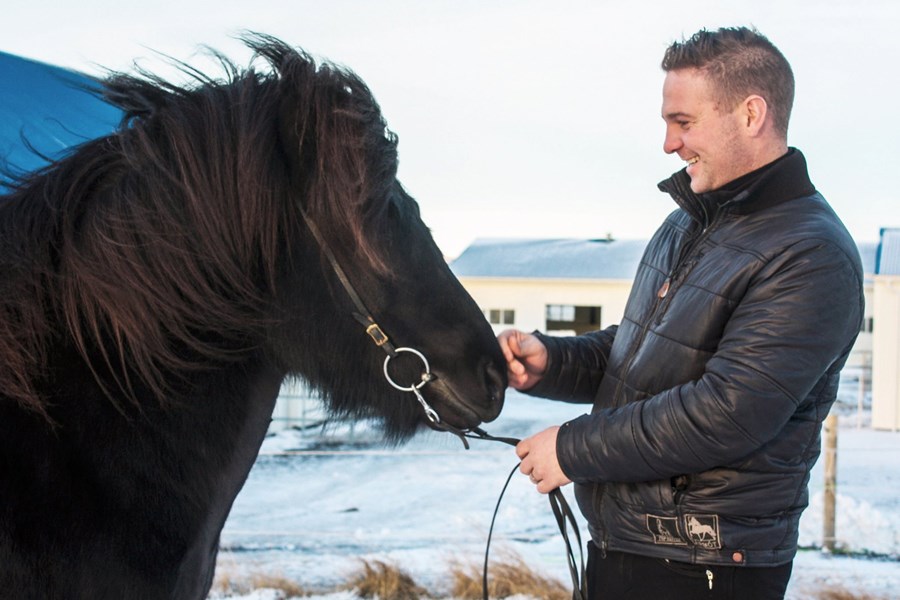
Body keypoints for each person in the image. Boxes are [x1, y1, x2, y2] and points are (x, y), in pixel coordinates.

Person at [498, 27, 864, 600]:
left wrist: (572, 449)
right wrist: (553, 362)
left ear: (750, 114)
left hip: (706, 566)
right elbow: (645, 354)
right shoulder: (689, 222)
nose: (669, 143)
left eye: (683, 122)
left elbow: (727, 412)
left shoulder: (811, 254)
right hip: (627, 546)